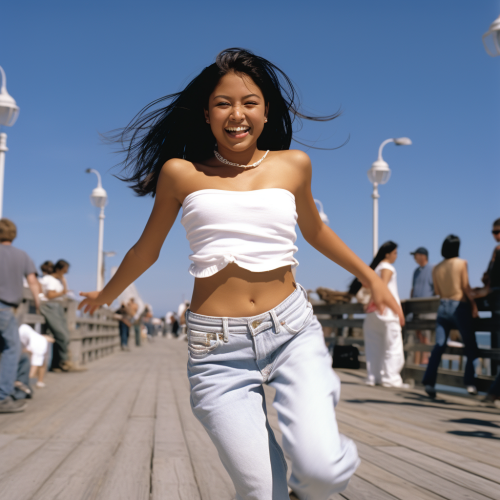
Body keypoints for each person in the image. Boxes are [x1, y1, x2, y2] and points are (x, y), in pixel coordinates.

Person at [78, 48, 403, 499]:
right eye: (223, 103)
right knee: (259, 490)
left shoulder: (292, 165)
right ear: (207, 114)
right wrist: (104, 295)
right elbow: (144, 251)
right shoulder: (180, 173)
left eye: (250, 102)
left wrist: (370, 279)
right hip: (217, 350)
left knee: (322, 471)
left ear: (266, 112)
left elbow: (316, 231)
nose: (237, 114)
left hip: (290, 330)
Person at [422, 235, 479, 399]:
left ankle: (429, 383)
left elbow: (438, 292)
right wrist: (474, 305)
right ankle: (470, 383)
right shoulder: (461, 263)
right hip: (459, 306)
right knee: (470, 345)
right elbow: (465, 287)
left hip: (442, 307)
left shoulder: (436, 267)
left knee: (438, 346)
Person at [0, 218, 40, 413]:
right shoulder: (22, 255)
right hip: (5, 309)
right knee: (11, 350)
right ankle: (2, 397)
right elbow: (32, 281)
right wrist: (38, 302)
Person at [358, 241, 407, 388]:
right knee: (393, 346)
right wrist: (398, 311)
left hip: (373, 312)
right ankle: (391, 379)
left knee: (374, 346)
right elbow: (383, 288)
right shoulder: (387, 267)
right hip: (386, 312)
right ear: (388, 254)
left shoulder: (376, 268)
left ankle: (374, 377)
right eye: (395, 253)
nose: (396, 256)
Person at [473, 218, 500, 404]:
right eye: (493, 232)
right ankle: (493, 392)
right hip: (494, 304)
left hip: (496, 301)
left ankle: (492, 392)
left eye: (498, 232)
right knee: (495, 348)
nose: (496, 235)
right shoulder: (495, 251)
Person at [39, 259, 78, 371]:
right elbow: (50, 295)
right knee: (62, 335)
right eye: (65, 269)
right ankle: (63, 362)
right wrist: (63, 290)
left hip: (57, 308)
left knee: (62, 334)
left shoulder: (56, 280)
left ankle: (57, 364)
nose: (66, 272)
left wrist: (64, 282)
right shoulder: (50, 280)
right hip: (51, 307)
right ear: (60, 269)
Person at [410, 247, 435, 365]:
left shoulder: (432, 269)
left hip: (428, 308)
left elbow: (436, 289)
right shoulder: (416, 272)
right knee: (417, 336)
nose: (414, 258)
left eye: (416, 255)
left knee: (426, 337)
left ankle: (424, 364)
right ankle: (416, 364)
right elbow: (413, 289)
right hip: (416, 309)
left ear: (423, 256)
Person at [18, 323, 54, 387]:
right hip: (35, 341)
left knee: (38, 363)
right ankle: (39, 381)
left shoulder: (37, 346)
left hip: (35, 342)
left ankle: (36, 381)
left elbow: (33, 369)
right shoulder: (37, 342)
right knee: (40, 362)